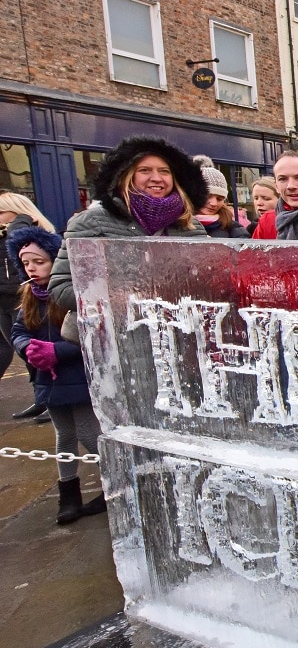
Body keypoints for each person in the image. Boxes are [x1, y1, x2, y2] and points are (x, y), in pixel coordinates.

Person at [8, 225, 104, 524]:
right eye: (26, 263)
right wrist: (27, 348)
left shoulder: (68, 294)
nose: (32, 268)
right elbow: (19, 330)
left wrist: (57, 352)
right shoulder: (28, 296)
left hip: (75, 375)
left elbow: (90, 334)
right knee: (64, 434)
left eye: (39, 261)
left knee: (90, 433)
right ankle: (69, 494)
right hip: (47, 378)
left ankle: (116, 482)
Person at [48, 136, 208, 311]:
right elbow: (61, 288)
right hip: (113, 334)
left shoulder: (191, 227)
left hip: (174, 330)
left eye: (164, 171)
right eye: (145, 170)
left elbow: (206, 283)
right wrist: (120, 299)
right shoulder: (92, 222)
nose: (156, 178)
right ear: (125, 176)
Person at [0, 191, 56, 422]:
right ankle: (41, 399)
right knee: (19, 349)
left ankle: (51, 400)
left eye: (2, 211)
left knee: (38, 348)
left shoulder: (30, 234)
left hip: (23, 297)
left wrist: (18, 224)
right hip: (2, 299)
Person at [194, 158, 248, 239]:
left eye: (219, 199)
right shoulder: (177, 224)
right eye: (208, 196)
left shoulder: (233, 228)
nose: (213, 203)